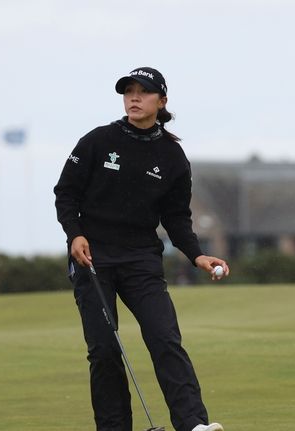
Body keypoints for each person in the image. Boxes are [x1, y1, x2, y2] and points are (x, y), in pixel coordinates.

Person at [54, 66, 229, 431]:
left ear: (161, 102)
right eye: (128, 91)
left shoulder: (172, 157)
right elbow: (66, 193)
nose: (134, 97)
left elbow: (177, 218)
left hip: (140, 260)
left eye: (143, 92)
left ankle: (193, 424)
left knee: (165, 338)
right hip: (93, 258)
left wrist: (196, 254)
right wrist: (75, 235)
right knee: (104, 351)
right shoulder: (98, 141)